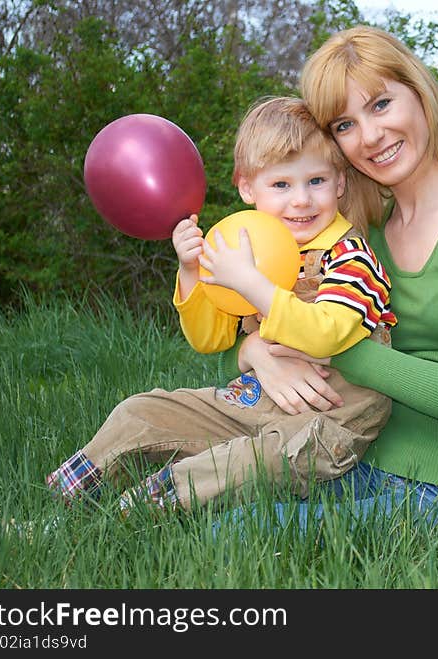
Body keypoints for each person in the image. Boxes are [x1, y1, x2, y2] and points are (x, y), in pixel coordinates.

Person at [214, 25, 438, 535]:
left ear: (419, 92)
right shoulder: (365, 231)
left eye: (380, 104)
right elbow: (253, 331)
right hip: (359, 458)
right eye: (344, 124)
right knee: (212, 501)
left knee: (238, 532)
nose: (370, 136)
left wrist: (332, 346)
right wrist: (257, 356)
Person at [44, 96, 397, 515]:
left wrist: (250, 282)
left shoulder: (351, 257)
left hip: (325, 425)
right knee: (139, 412)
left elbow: (326, 334)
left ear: (340, 183)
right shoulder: (247, 245)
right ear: (247, 187)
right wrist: (192, 271)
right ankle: (58, 508)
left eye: (316, 181)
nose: (301, 200)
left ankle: (128, 517)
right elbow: (210, 339)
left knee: (229, 467)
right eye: (281, 185)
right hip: (249, 405)